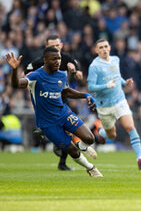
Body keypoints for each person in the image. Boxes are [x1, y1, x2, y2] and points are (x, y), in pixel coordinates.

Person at [7, 48, 102, 177]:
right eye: (54, 59)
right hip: (48, 123)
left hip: (64, 114)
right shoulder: (36, 76)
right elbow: (16, 84)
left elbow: (66, 92)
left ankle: (81, 144)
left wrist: (85, 95)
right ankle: (91, 168)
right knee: (72, 150)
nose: (57, 61)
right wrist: (14, 70)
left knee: (90, 138)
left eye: (59, 59)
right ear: (45, 60)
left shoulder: (62, 74)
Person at [87, 39, 141, 170]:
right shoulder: (94, 66)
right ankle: (102, 133)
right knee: (111, 134)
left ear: (109, 47)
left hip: (119, 100)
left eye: (106, 46)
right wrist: (105, 85)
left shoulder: (115, 60)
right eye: (101, 47)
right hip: (104, 106)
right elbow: (91, 87)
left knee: (130, 127)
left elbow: (116, 76)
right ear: (96, 50)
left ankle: (140, 158)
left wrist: (124, 82)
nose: (104, 49)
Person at [26, 35, 83, 171]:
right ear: (46, 47)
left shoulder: (67, 58)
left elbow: (78, 73)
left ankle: (62, 162)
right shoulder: (40, 62)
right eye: (53, 45)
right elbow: (26, 76)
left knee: (68, 130)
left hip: (62, 100)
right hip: (45, 102)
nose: (56, 48)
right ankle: (45, 135)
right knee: (56, 129)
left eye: (58, 45)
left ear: (61, 46)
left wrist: (75, 71)